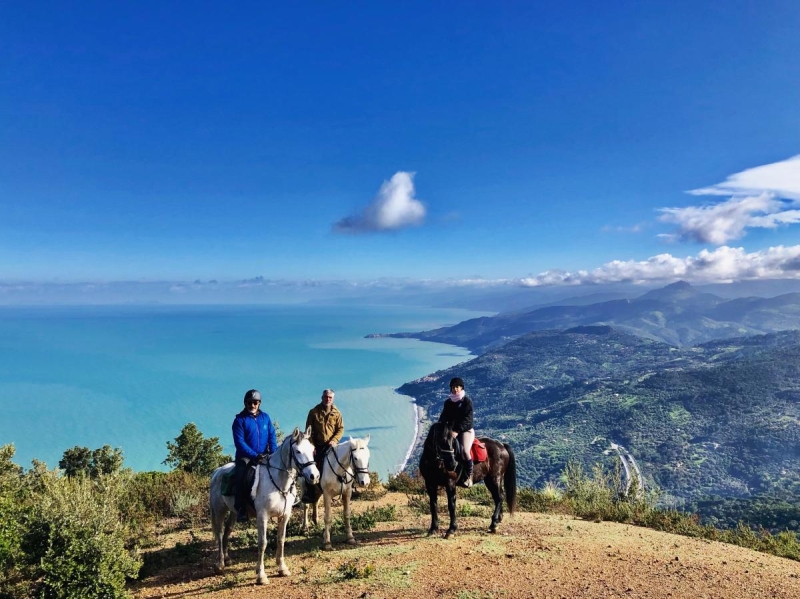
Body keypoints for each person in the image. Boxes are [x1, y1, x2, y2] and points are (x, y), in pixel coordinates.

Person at [232, 389, 277, 522]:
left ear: (259, 403)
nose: (252, 405)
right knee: (241, 477)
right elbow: (240, 442)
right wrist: (254, 456)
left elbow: (272, 435)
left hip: (264, 455)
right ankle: (241, 509)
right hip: (245, 457)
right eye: (250, 402)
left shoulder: (266, 418)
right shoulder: (239, 420)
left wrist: (273, 453)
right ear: (245, 403)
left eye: (255, 402)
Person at [302, 388, 344, 503]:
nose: (328, 399)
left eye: (330, 397)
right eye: (326, 397)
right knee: (310, 466)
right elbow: (308, 431)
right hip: (318, 447)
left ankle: (344, 487)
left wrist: (334, 440)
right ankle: (310, 492)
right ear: (322, 397)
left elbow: (340, 429)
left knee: (344, 462)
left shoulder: (337, 413)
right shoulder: (313, 412)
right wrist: (312, 446)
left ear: (333, 399)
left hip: (332, 446)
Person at [438, 377, 475, 487]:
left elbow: (468, 420)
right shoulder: (448, 402)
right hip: (451, 431)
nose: (455, 389)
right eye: (453, 387)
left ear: (461, 388)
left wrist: (457, 430)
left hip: (465, 431)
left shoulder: (467, 401)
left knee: (464, 451)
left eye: (457, 387)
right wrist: (439, 427)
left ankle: (469, 476)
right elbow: (443, 417)